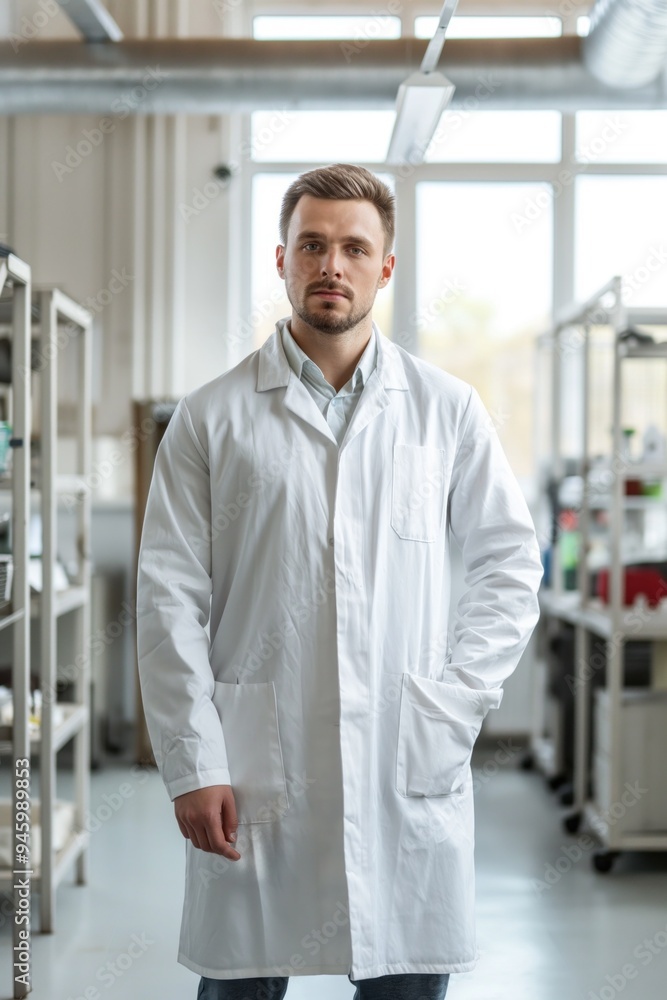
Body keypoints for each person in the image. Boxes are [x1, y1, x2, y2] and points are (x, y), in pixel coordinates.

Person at [136, 163, 544, 1000]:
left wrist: (457, 697)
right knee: (241, 983)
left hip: (405, 754)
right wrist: (192, 761)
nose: (332, 265)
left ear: (384, 267)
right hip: (253, 766)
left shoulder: (445, 410)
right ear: (280, 259)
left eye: (354, 248)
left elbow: (509, 563)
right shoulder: (212, 417)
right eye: (312, 245)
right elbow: (168, 594)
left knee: (405, 981)